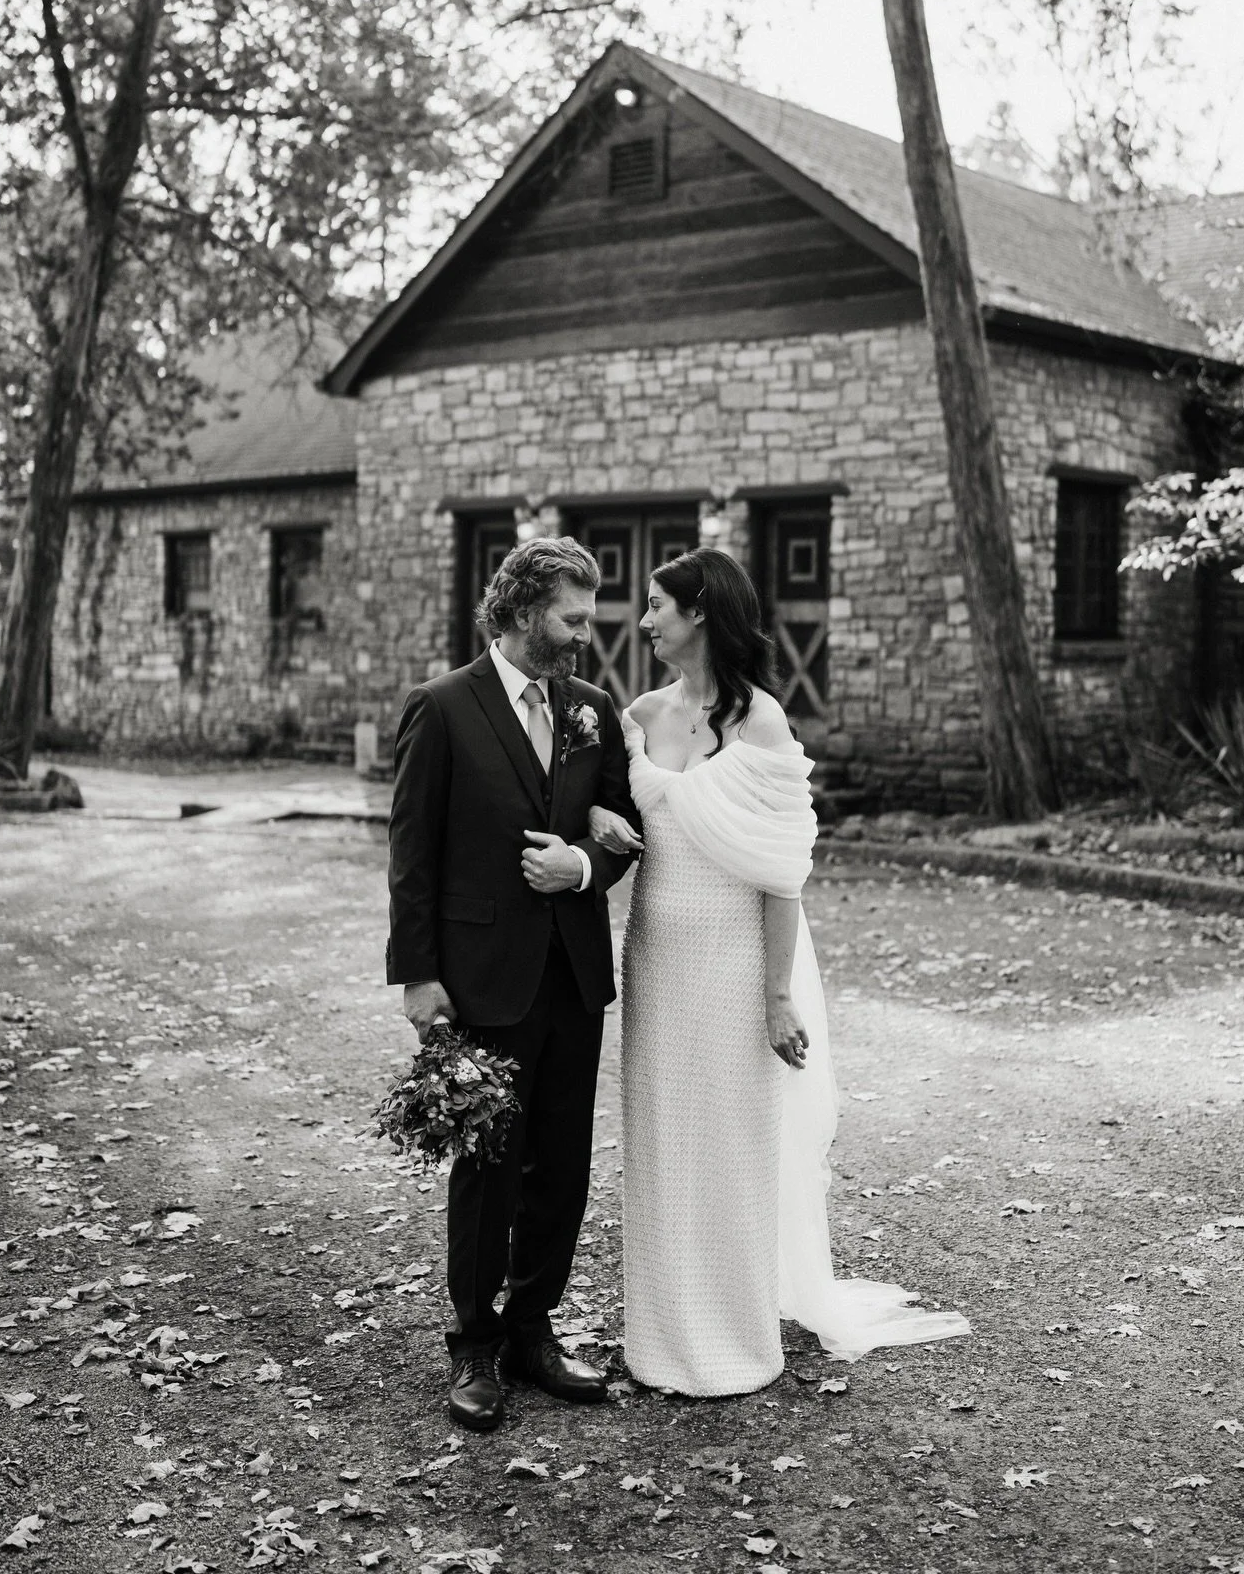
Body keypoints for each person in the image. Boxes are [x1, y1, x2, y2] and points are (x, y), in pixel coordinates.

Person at [589, 547, 970, 1396]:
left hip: (732, 964)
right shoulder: (639, 713)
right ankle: (660, 1332)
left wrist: (773, 996)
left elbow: (781, 873)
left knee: (729, 1140)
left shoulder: (760, 722)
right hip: (656, 954)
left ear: (699, 613)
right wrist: (598, 823)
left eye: (656, 606)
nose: (643, 621)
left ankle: (732, 1330)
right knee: (659, 1139)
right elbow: (604, 808)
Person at [388, 536, 641, 1431]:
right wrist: (417, 975)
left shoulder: (594, 710)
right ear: (524, 609)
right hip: (482, 979)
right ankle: (474, 1344)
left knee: (562, 1163)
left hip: (572, 975)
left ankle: (534, 1329)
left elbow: (622, 826)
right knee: (486, 1168)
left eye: (589, 617)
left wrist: (581, 866)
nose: (584, 632)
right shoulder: (443, 706)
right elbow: (412, 854)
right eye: (572, 616)